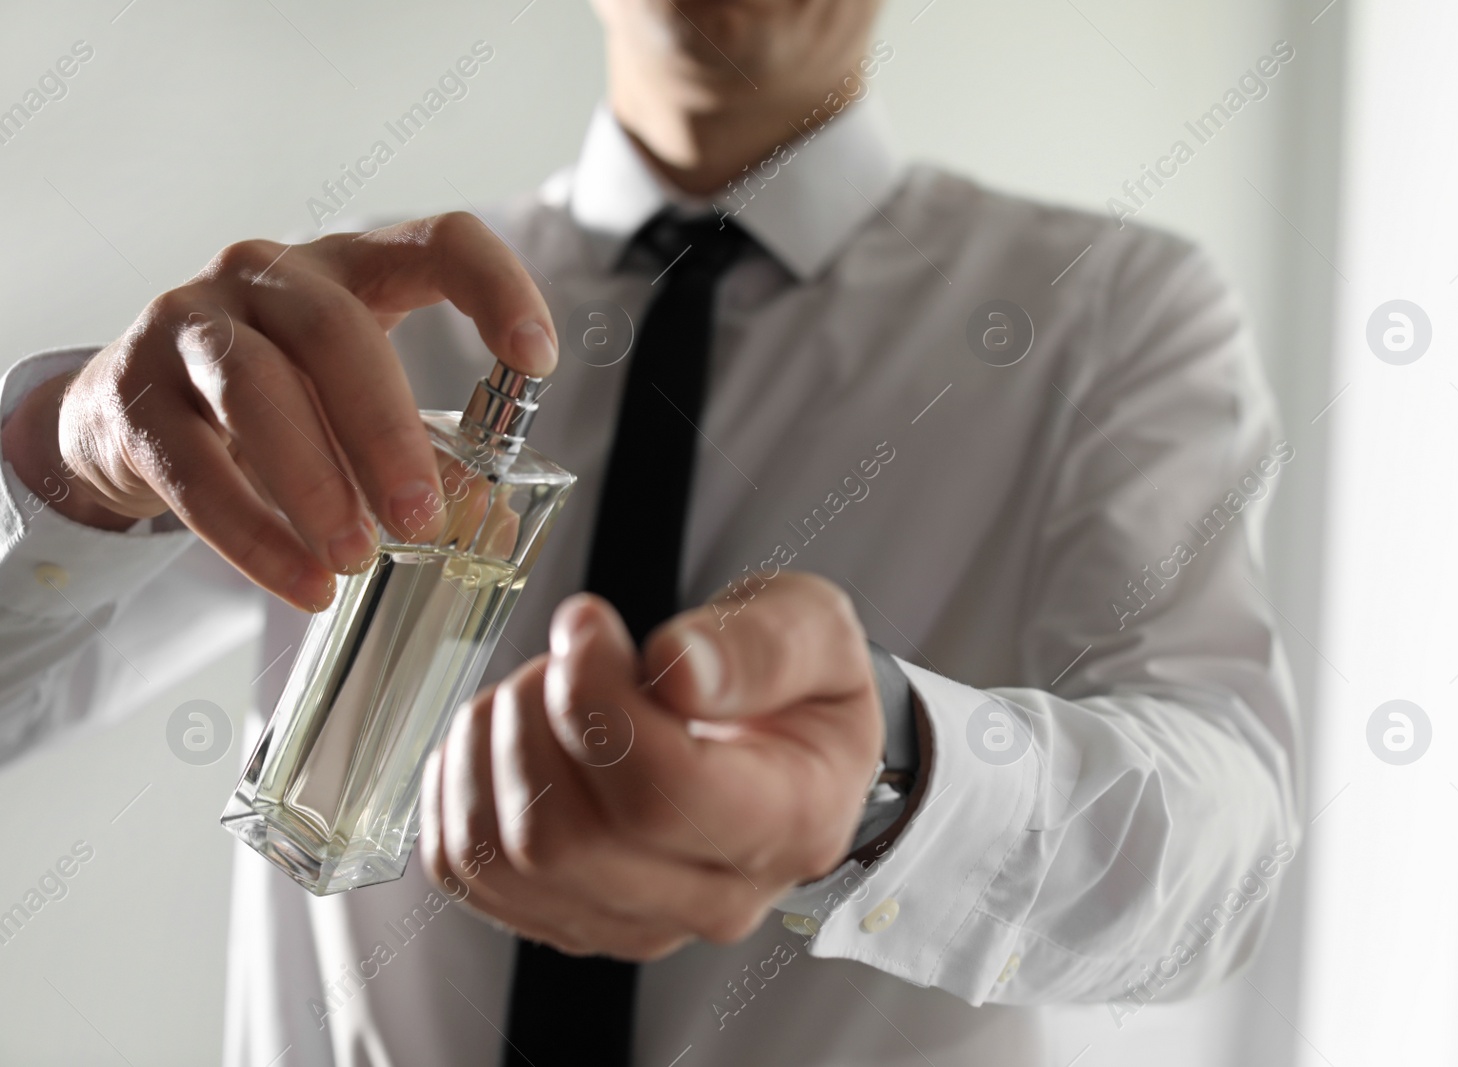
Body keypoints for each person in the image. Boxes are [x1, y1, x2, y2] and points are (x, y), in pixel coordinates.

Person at [0, 0, 1301, 1064]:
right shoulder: (355, 333)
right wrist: (67, 459)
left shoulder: (1109, 317)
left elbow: (1220, 846)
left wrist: (889, 778)